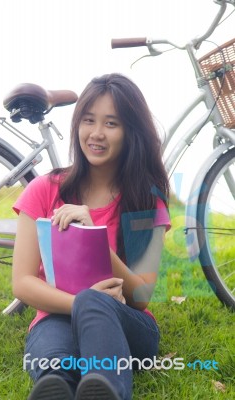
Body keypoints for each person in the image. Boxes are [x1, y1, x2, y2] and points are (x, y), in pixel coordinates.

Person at [12, 73, 170, 400]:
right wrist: (80, 304)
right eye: (88, 121)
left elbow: (140, 295)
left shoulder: (145, 201)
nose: (96, 134)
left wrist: (95, 240)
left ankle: (107, 389)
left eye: (111, 124)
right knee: (52, 368)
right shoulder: (44, 189)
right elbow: (23, 282)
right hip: (56, 315)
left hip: (129, 322)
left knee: (94, 307)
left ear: (131, 132)